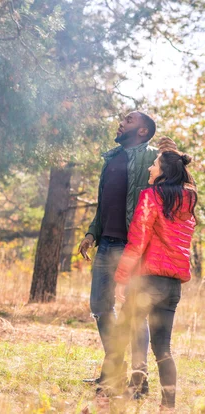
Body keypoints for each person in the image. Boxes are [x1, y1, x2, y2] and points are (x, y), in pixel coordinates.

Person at [78, 111, 176, 395]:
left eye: (129, 120)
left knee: (134, 314)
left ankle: (138, 379)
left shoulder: (150, 157)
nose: (121, 122)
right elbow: (103, 203)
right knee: (99, 307)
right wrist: (91, 233)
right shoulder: (111, 159)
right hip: (106, 242)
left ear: (143, 131)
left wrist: (169, 154)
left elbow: (173, 176)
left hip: (133, 247)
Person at [100, 151, 197, 412]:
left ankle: (118, 392)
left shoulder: (151, 196)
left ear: (165, 170)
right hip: (172, 284)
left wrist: (121, 278)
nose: (150, 169)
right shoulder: (188, 199)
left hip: (148, 281)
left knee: (122, 332)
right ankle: (168, 406)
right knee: (163, 348)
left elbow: (137, 242)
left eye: (154, 165)